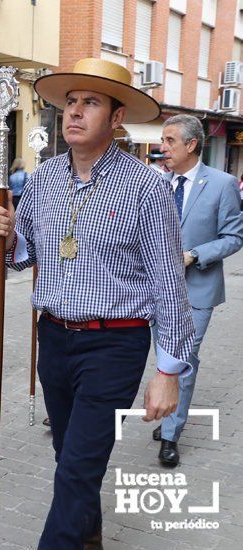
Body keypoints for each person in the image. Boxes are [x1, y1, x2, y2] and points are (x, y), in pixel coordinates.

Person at [0, 58, 196, 549]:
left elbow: (168, 283)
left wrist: (168, 371)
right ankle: (90, 535)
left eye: (91, 103)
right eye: (70, 103)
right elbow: (24, 255)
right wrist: (6, 235)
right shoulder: (43, 179)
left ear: (117, 118)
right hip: (53, 337)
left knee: (79, 468)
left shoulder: (148, 187)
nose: (74, 113)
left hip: (116, 344)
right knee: (69, 457)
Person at [150, 114, 243, 467]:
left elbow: (234, 237)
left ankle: (171, 433)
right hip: (157, 291)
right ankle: (169, 410)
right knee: (163, 360)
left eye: (170, 140)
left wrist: (194, 255)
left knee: (182, 359)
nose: (163, 147)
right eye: (163, 139)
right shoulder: (158, 184)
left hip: (198, 290)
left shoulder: (222, 184)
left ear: (191, 144)